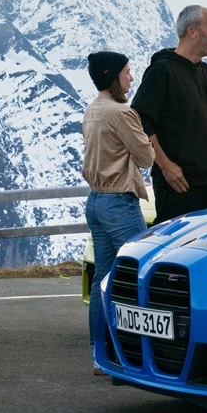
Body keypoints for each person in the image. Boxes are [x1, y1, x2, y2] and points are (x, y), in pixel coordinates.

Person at [131, 5, 207, 225]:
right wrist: (165, 166)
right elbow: (140, 119)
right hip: (179, 186)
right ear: (192, 32)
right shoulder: (162, 70)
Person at [81, 51, 151, 345]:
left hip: (96, 199)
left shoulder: (93, 109)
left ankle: (102, 349)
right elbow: (146, 157)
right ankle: (136, 348)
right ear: (112, 76)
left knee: (104, 276)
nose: (131, 78)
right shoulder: (121, 112)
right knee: (141, 270)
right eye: (126, 72)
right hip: (120, 201)